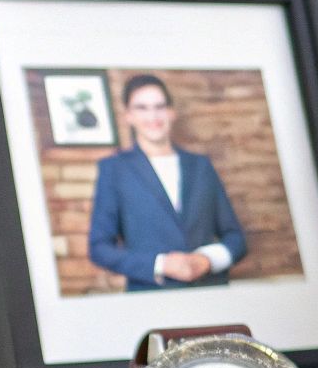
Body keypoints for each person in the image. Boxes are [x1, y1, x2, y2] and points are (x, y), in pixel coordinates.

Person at [87, 74, 248, 291]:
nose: (153, 116)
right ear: (128, 116)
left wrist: (206, 260)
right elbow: (99, 248)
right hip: (151, 296)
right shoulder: (115, 169)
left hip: (210, 293)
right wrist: (161, 264)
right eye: (142, 108)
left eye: (159, 106)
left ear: (172, 112)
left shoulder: (201, 166)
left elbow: (235, 237)